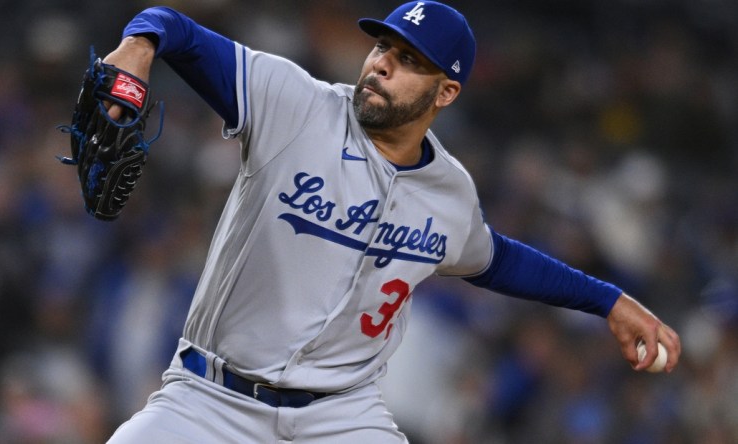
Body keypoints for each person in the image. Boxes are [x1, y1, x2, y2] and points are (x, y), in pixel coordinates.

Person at [96, 2, 681, 443]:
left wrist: (611, 301)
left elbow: (496, 260)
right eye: (383, 47)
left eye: (408, 61)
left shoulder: (450, 192)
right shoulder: (294, 104)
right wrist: (138, 47)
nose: (380, 65)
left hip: (340, 415)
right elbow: (171, 24)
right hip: (209, 400)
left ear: (446, 91)